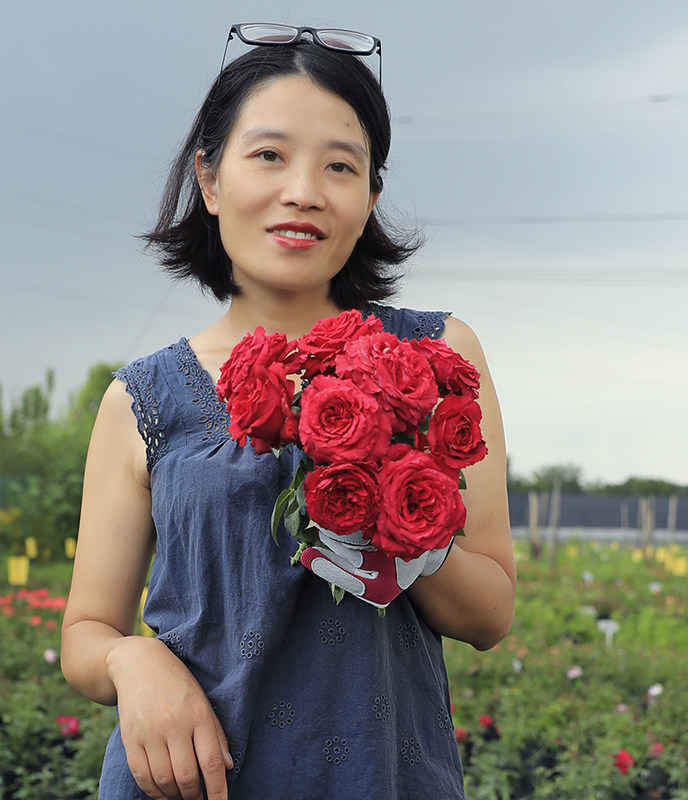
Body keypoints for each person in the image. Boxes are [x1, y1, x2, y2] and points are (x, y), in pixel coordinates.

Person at [61, 23, 516, 800]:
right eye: (268, 154)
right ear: (208, 179)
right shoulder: (141, 398)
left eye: (341, 165)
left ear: (370, 197)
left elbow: (490, 614)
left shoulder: (437, 357)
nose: (303, 189)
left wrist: (396, 520)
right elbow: (86, 632)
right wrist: (132, 661)